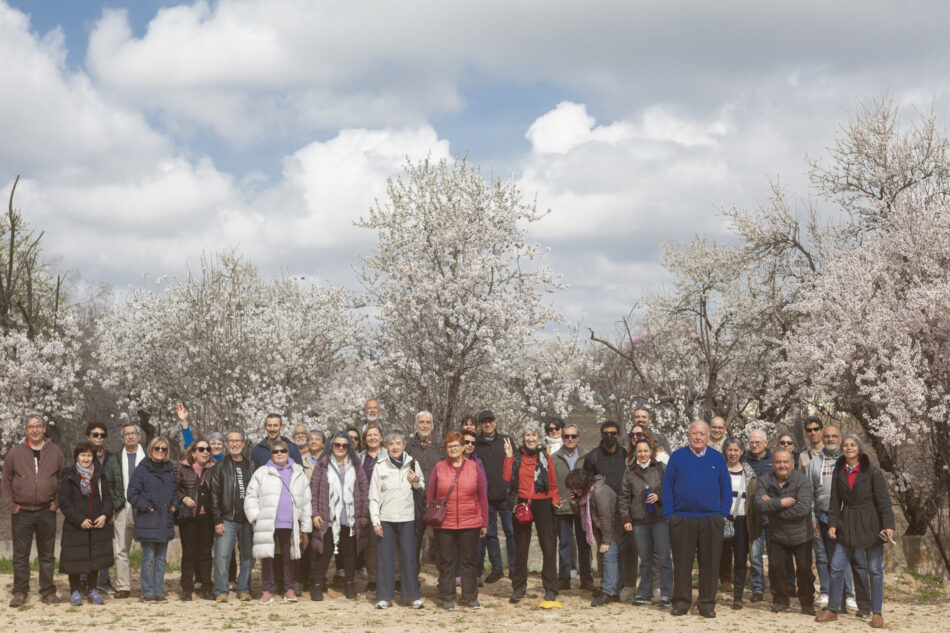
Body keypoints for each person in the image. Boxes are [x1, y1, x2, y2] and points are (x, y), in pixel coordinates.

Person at [816, 435, 895, 629]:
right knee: (836, 566)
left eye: (852, 445)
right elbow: (835, 500)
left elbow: (884, 501)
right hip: (847, 523)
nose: (849, 448)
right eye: (846, 445)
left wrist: (889, 525)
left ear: (859, 448)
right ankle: (832, 609)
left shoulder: (872, 471)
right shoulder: (839, 470)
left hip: (871, 524)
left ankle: (877, 613)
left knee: (875, 570)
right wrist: (833, 524)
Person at [662, 420, 730, 618]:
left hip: (711, 519)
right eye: (694, 433)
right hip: (682, 518)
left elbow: (726, 487)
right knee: (683, 563)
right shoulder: (677, 457)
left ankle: (707, 604)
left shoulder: (717, 458)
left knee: (709, 565)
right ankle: (681, 602)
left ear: (708, 437)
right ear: (688, 435)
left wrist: (723, 515)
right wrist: (669, 515)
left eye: (702, 434)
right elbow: (667, 486)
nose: (698, 437)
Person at [2, 414, 65, 607]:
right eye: (31, 427)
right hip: (22, 512)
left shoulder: (55, 451)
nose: (35, 430)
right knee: (21, 554)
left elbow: (62, 479)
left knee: (47, 554)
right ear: (26, 430)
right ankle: (20, 591)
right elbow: (5, 480)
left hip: (47, 510)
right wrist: (11, 505)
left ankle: (47, 591)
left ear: (44, 429)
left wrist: (57, 502)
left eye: (38, 426)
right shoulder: (15, 452)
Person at [245, 440, 312, 604]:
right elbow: (251, 496)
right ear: (271, 454)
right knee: (267, 557)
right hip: (268, 522)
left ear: (288, 453)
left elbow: (306, 500)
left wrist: (305, 526)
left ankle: (288, 589)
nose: (279, 454)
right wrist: (255, 517)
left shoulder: (298, 472)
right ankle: (267, 590)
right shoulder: (262, 472)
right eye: (275, 451)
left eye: (283, 451)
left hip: (289, 522)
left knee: (289, 557)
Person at [429, 432, 488, 611]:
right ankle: (447, 596)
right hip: (444, 523)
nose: (453, 449)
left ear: (463, 447)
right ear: (446, 449)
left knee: (469, 560)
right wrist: (430, 525)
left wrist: (484, 521)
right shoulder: (439, 467)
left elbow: (482, 495)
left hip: (470, 522)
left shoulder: (473, 467)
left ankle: (470, 597)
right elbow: (430, 496)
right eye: (449, 446)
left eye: (456, 445)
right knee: (446, 560)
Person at [503, 422, 562, 603]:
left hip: (543, 502)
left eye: (533, 435)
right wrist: (508, 457)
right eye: (527, 435)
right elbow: (506, 478)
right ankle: (519, 587)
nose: (530, 438)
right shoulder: (516, 456)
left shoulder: (545, 456)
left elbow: (552, 482)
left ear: (539, 438)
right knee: (521, 547)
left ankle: (551, 587)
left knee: (548, 545)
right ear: (523, 438)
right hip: (521, 503)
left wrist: (555, 499)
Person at [369, 430, 426, 609]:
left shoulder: (413, 463)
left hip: (407, 518)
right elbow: (373, 496)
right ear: (386, 447)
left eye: (398, 443)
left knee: (409, 557)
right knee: (385, 558)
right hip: (386, 517)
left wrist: (416, 480)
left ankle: (412, 596)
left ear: (403, 445)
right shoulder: (380, 465)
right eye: (391, 444)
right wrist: (376, 521)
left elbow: (421, 487)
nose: (394, 447)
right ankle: (385, 596)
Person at [754, 448, 815, 615]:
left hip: (801, 534)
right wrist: (780, 503)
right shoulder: (766, 480)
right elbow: (759, 504)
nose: (782, 465)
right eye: (778, 462)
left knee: (804, 570)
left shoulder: (802, 481)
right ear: (773, 464)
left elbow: (802, 509)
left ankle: (807, 602)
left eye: (785, 462)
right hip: (778, 534)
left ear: (792, 464)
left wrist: (772, 506)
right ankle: (781, 601)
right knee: (776, 568)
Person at [310, 432, 370, 601]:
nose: (341, 448)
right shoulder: (322, 465)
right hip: (328, 516)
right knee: (325, 552)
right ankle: (317, 586)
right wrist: (314, 514)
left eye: (345, 445)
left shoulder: (356, 465)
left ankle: (350, 585)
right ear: (331, 446)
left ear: (349, 447)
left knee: (350, 553)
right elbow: (313, 491)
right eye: (338, 444)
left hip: (349, 516)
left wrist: (365, 512)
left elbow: (365, 489)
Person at [806, 424, 856, 611]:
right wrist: (811, 518)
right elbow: (809, 493)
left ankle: (848, 595)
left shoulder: (847, 462)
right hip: (820, 515)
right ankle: (826, 591)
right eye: (827, 436)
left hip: (844, 517)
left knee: (843, 557)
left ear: (840, 438)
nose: (830, 439)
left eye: (834, 436)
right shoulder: (814, 464)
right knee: (822, 557)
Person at [58, 441, 114, 606]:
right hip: (76, 525)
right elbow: (64, 501)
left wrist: (104, 515)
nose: (86, 458)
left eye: (89, 455)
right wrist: (79, 520)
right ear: (77, 457)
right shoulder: (69, 475)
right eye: (83, 455)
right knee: (75, 559)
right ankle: (75, 590)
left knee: (93, 559)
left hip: (96, 523)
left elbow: (108, 498)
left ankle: (92, 589)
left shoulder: (99, 474)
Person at [620, 438, 673, 607]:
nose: (642, 454)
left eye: (645, 451)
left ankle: (666, 593)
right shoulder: (629, 471)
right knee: (645, 559)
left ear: (651, 452)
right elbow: (623, 497)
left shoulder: (660, 468)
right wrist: (626, 518)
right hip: (639, 521)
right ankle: (644, 592)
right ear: (635, 453)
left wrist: (659, 495)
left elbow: (671, 488)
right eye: (639, 451)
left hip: (659, 519)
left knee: (664, 558)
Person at [584, 421, 634, 596]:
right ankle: (608, 587)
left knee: (624, 550)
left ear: (619, 435)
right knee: (607, 549)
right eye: (606, 433)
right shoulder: (592, 457)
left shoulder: (626, 455)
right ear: (601, 435)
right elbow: (586, 485)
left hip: (625, 510)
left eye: (613, 433)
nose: (609, 436)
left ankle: (621, 586)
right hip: (603, 511)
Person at [127, 436, 178, 602]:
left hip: (165, 519)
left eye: (164, 449)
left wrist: (174, 506)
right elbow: (132, 494)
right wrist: (147, 507)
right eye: (157, 448)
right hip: (148, 520)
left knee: (161, 559)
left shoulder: (170, 468)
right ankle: (147, 591)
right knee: (148, 557)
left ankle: (158, 590)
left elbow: (176, 491)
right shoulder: (142, 469)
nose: (160, 452)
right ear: (151, 449)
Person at [565, 468, 621, 606]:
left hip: (614, 527)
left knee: (609, 555)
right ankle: (609, 587)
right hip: (602, 529)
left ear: (584, 484)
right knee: (605, 557)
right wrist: (574, 504)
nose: (575, 491)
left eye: (576, 488)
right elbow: (583, 515)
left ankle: (609, 592)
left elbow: (606, 517)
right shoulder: (586, 495)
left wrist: (606, 541)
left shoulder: (599, 491)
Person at [210, 430, 255, 602]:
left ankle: (244, 588)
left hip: (248, 519)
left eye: (238, 441)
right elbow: (214, 494)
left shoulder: (250, 466)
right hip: (227, 519)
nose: (234, 444)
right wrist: (217, 519)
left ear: (243, 443)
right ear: (227, 444)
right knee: (222, 556)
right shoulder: (220, 466)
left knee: (248, 556)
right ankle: (221, 590)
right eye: (231, 441)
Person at [102, 423, 145, 599]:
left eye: (133, 433)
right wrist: (116, 503)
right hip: (122, 508)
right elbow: (108, 484)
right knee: (121, 550)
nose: (130, 436)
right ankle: (123, 587)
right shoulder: (115, 459)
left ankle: (147, 586)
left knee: (147, 550)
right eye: (126, 434)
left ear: (139, 436)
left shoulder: (148, 456)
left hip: (144, 510)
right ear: (122, 438)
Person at [474, 409, 516, 584]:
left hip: (506, 496)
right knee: (490, 534)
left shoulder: (506, 440)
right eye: (484, 422)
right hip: (487, 497)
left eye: (490, 421)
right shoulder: (476, 443)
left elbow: (515, 463)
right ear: (480, 425)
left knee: (511, 532)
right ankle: (497, 568)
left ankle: (514, 568)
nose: (488, 424)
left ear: (495, 421)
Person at [718, 437, 759, 609]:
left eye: (736, 450)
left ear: (742, 451)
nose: (733, 453)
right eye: (730, 450)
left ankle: (738, 596)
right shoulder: (719, 469)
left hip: (742, 520)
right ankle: (710, 592)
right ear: (725, 451)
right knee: (716, 556)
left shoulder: (749, 472)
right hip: (721, 518)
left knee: (741, 559)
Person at [174, 438, 216, 601]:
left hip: (207, 517)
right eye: (201, 449)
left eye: (207, 449)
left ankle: (207, 587)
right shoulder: (182, 467)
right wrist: (183, 498)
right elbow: (175, 488)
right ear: (193, 453)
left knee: (206, 553)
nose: (205, 452)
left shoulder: (213, 468)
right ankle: (186, 588)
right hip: (188, 517)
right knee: (189, 553)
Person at [552, 423, 592, 591]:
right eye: (566, 436)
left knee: (584, 544)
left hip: (582, 506)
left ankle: (587, 578)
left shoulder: (586, 457)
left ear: (578, 438)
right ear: (562, 438)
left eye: (573, 436)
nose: (570, 439)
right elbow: (551, 483)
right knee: (564, 544)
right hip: (562, 507)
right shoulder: (553, 458)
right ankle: (564, 578)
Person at [82, 422, 116, 596]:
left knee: (103, 546)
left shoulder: (111, 457)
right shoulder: (82, 455)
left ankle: (103, 580)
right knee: (84, 545)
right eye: (95, 434)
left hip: (105, 507)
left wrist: (110, 509)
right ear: (88, 436)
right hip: (85, 507)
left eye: (102, 435)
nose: (99, 438)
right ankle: (83, 581)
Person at [743, 428, 774, 602]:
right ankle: (757, 588)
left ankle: (776, 586)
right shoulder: (745, 461)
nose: (754, 445)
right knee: (754, 554)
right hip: (753, 514)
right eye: (751, 442)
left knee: (774, 553)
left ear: (765, 443)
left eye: (758, 442)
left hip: (772, 512)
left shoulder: (774, 459)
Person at [359, 424, 386, 591]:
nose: (372, 438)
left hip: (387, 503)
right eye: (369, 435)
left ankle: (394, 577)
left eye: (375, 435)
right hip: (367, 504)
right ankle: (373, 578)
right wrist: (363, 511)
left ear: (381, 437)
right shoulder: (360, 458)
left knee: (390, 542)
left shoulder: (388, 454)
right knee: (371, 545)